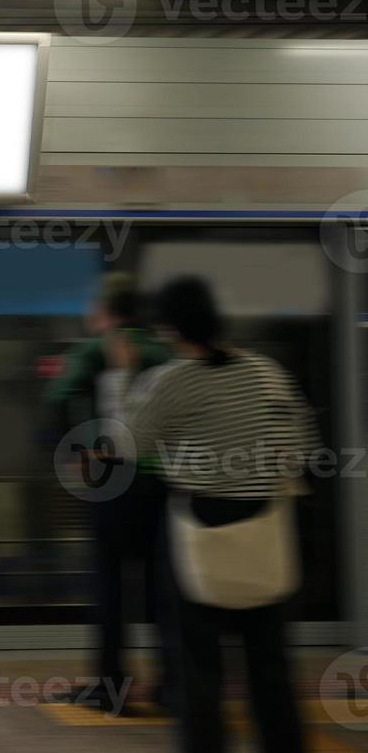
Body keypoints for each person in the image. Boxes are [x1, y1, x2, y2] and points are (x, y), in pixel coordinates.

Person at [123, 275, 317, 753]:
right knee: (270, 667)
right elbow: (300, 446)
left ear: (169, 328)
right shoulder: (269, 373)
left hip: (198, 536)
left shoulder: (168, 380)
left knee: (197, 670)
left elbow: (131, 443)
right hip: (268, 533)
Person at [46, 272, 176, 715]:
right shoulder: (165, 350)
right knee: (164, 585)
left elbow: (59, 396)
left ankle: (111, 687)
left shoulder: (95, 349)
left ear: (105, 309)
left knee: (111, 585)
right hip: (161, 481)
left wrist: (81, 447)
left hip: (114, 479)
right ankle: (172, 685)